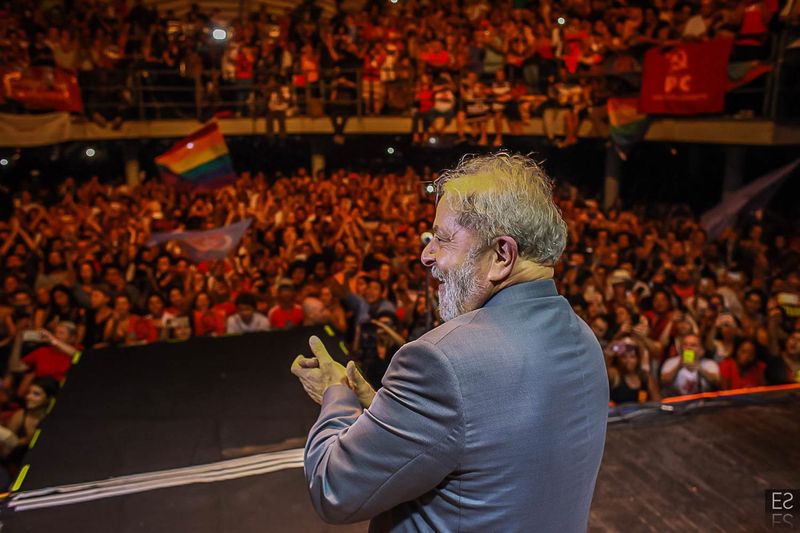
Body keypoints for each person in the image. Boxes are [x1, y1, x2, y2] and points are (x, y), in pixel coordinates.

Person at [291, 153, 608, 531]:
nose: (427, 255)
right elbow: (490, 449)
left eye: (442, 239)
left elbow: (334, 489)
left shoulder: (440, 362)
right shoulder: (584, 338)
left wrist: (336, 394)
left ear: (502, 255)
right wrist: (386, 411)